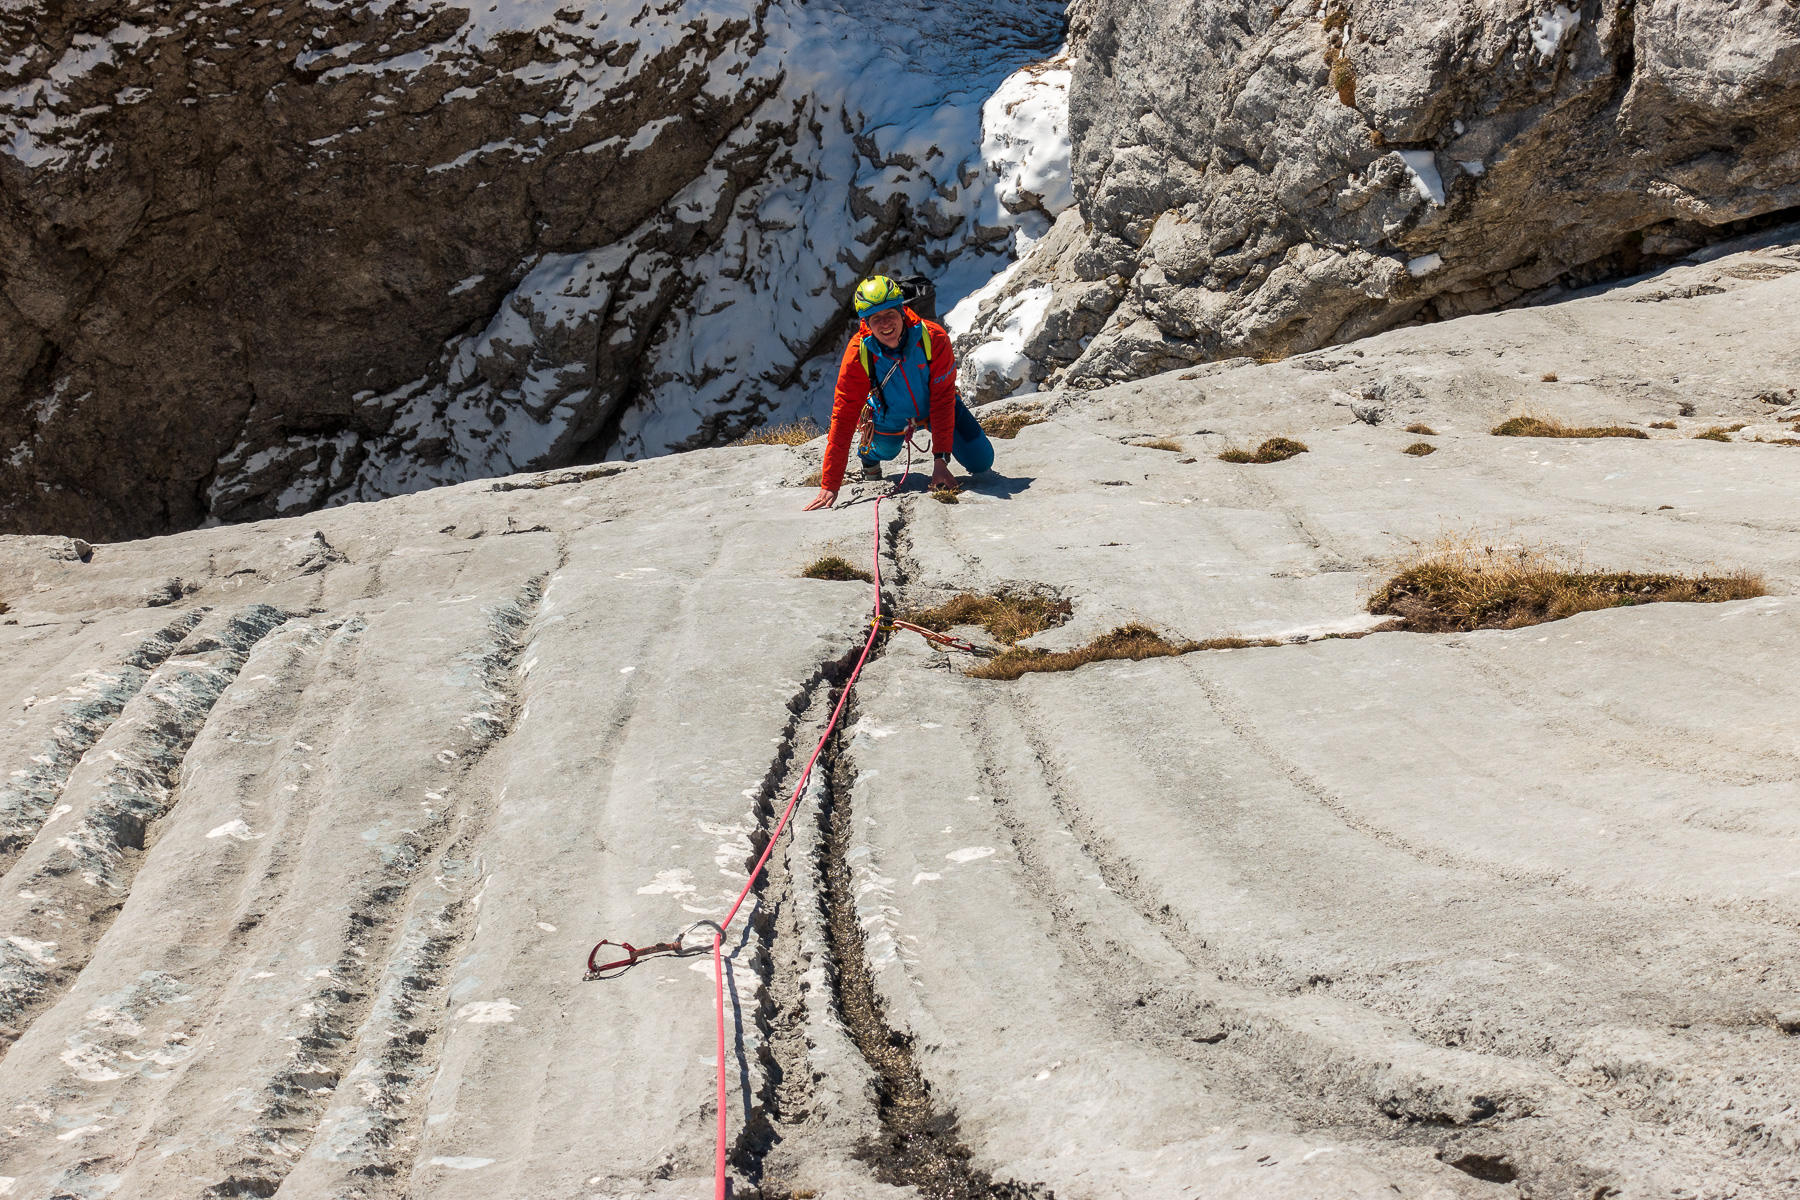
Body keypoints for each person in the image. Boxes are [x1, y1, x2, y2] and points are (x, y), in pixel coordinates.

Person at [803, 275, 995, 511]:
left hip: (933, 409)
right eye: (876, 318)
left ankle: (885, 448)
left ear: (902, 311)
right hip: (888, 415)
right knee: (886, 451)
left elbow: (944, 400)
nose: (885, 324)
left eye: (890, 314)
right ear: (866, 322)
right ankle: (869, 456)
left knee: (982, 461)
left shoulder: (933, 338)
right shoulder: (858, 353)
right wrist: (830, 484)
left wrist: (940, 461)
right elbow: (843, 416)